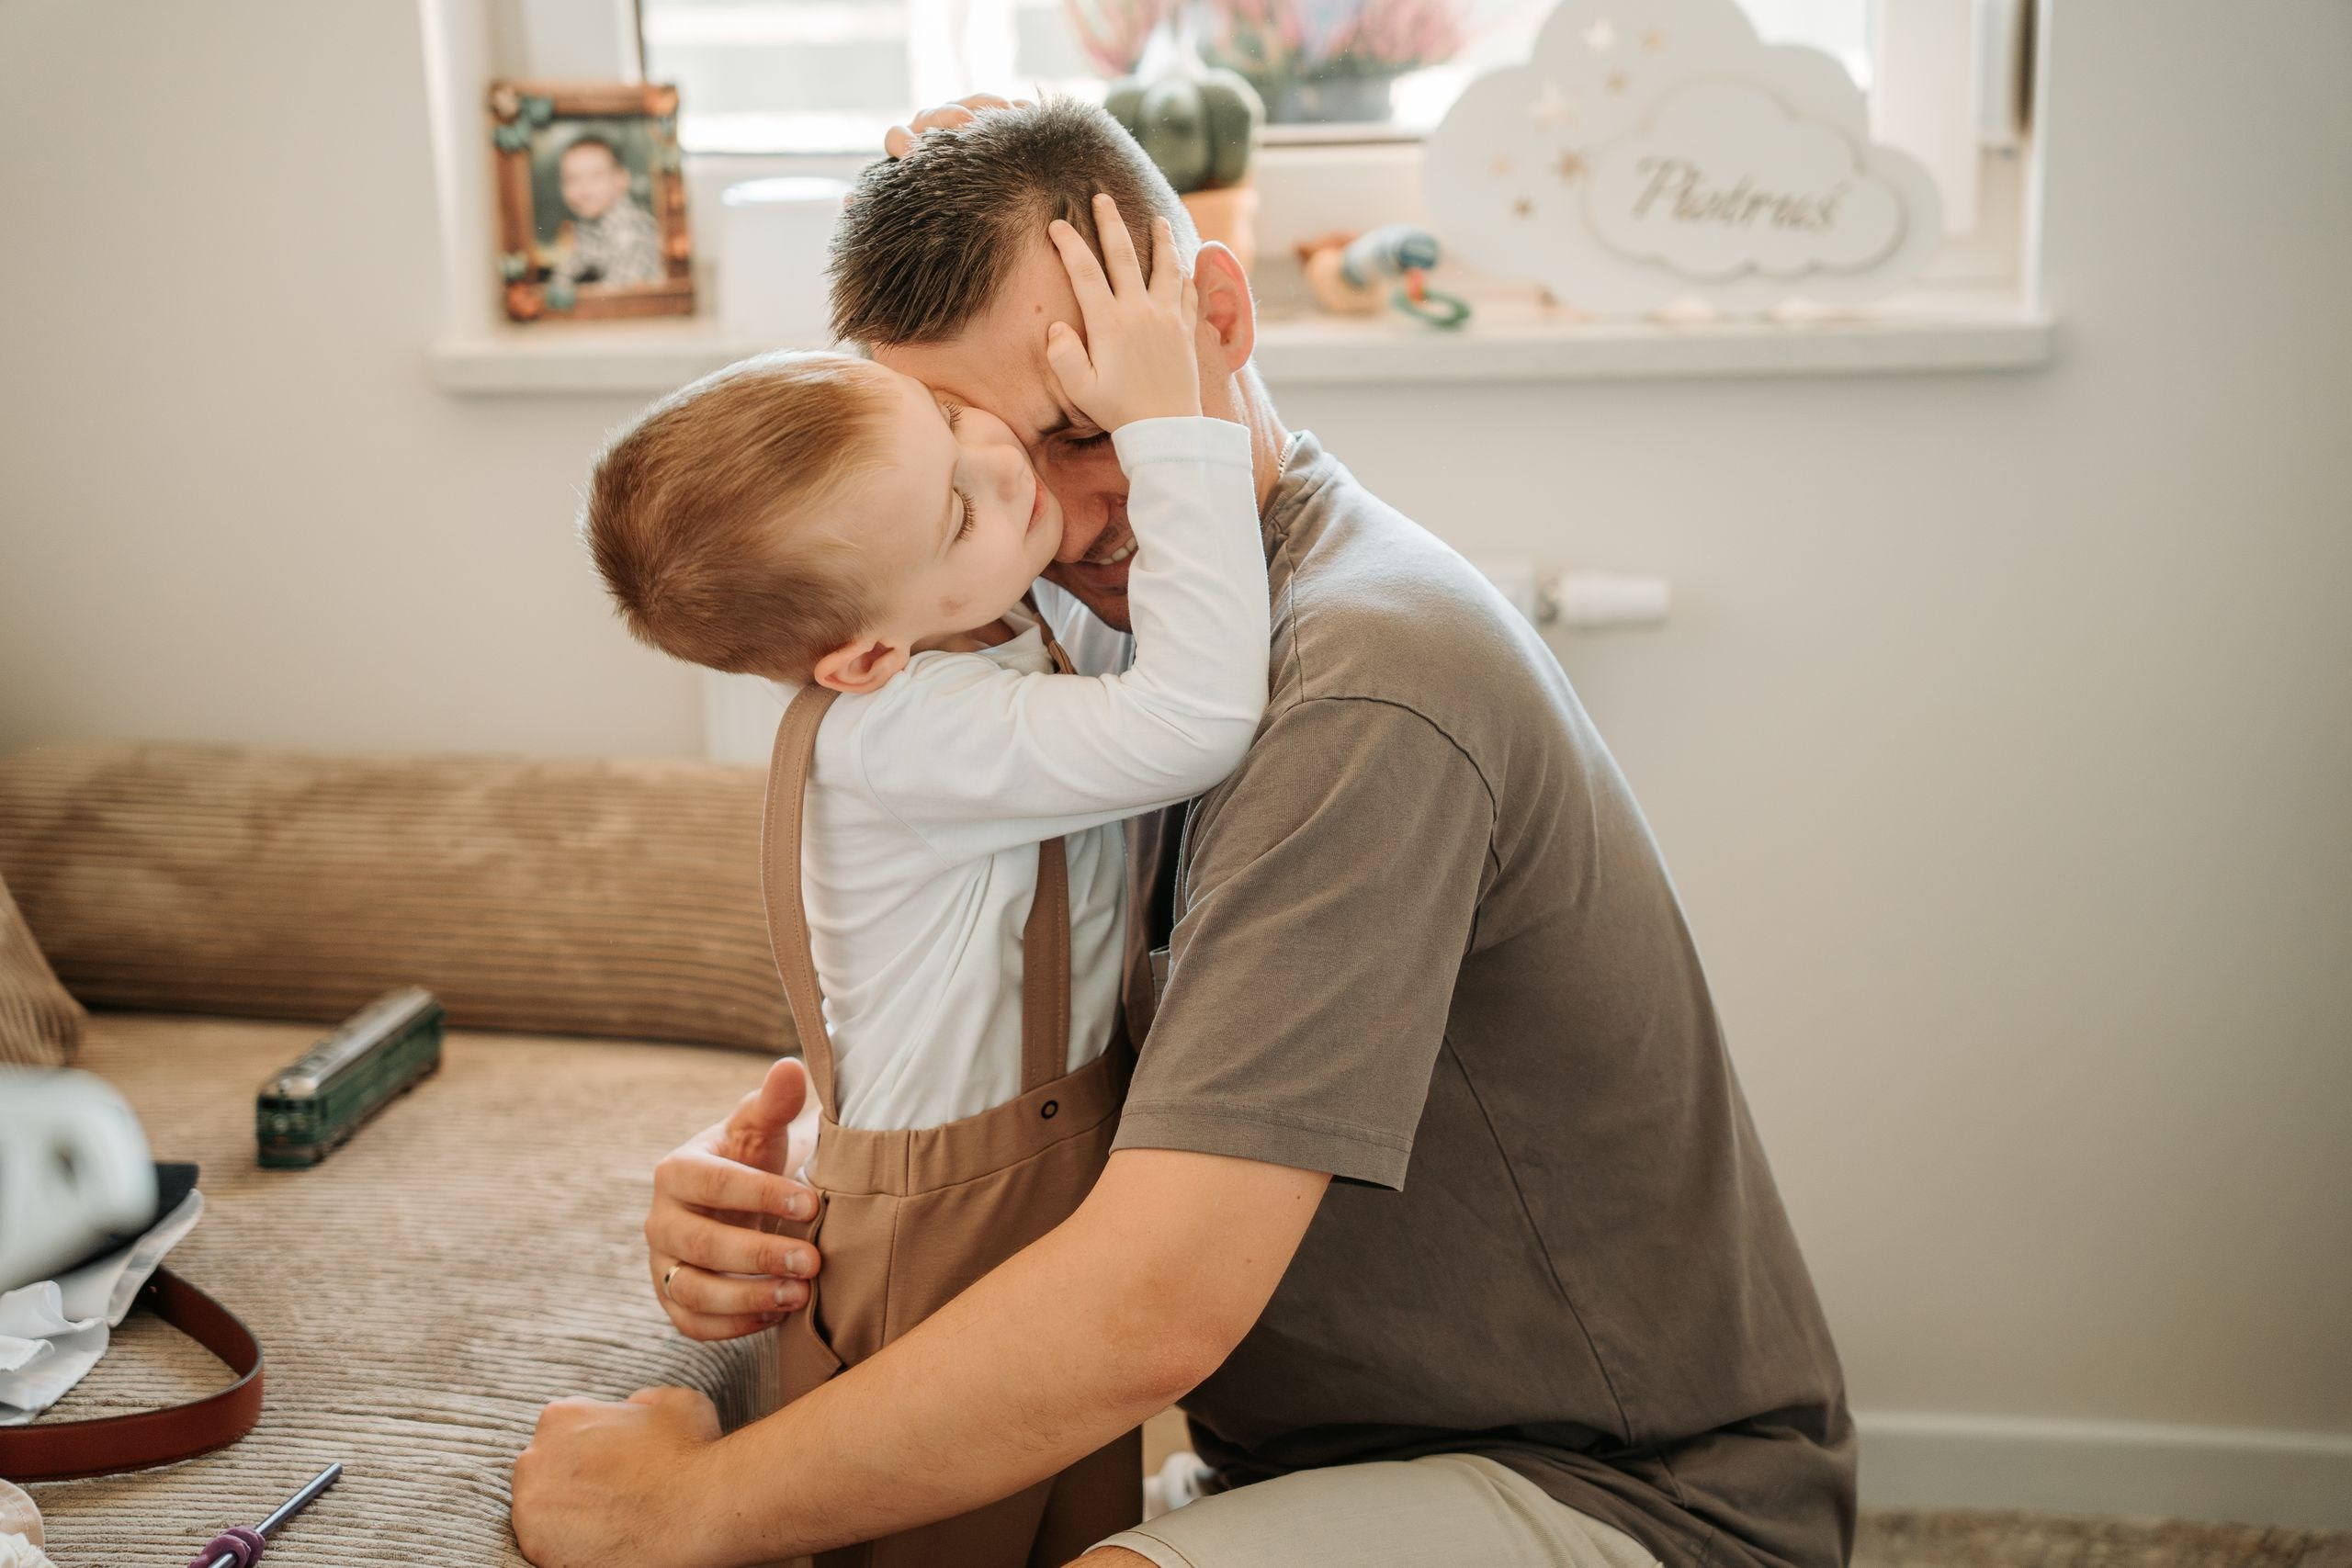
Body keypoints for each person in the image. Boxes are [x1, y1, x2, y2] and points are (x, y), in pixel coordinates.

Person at [513, 96, 1856, 1568]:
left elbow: (1161, 1299)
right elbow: (995, 1000)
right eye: (977, 452)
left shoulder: (1365, 688)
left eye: (1097, 424)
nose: (1063, 504)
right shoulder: (1062, 641)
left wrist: (684, 1508)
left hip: (1630, 1490)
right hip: (1309, 1460)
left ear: (1214, 312)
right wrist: (781, 1176)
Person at [565, 198, 1267, 1564]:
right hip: (950, 1205)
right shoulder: (907, 729)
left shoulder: (974, 615)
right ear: (865, 655)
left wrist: (972, 162)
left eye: (945, 421)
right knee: (940, 1534)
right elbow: (1194, 714)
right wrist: (1172, 423)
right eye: (961, 502)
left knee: (1070, 1513)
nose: (1006, 462)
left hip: (1043, 1145)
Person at [551, 133, 664, 288]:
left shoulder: (630, 228)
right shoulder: (589, 222)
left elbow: (617, 295)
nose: (583, 190)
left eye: (596, 177)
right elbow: (571, 267)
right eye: (572, 179)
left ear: (621, 180)